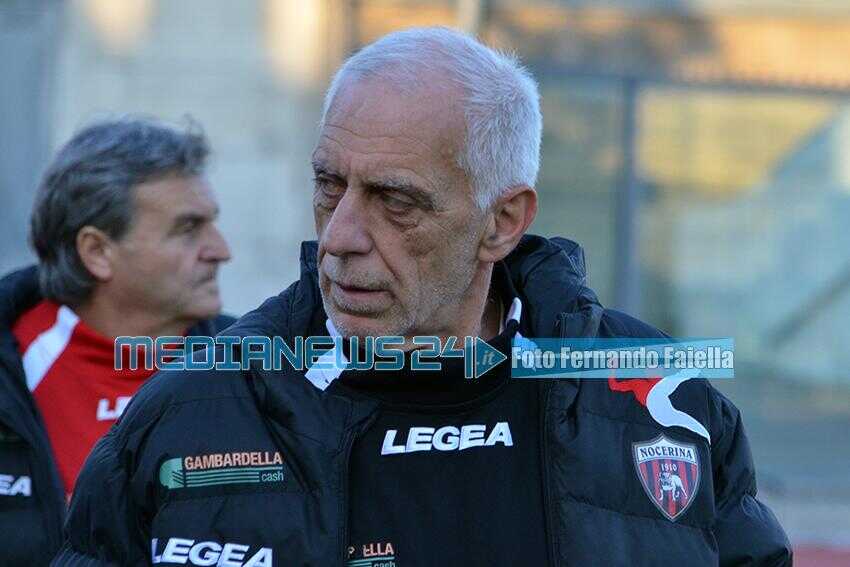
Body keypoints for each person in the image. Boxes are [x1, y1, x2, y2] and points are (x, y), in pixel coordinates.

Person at [55, 29, 790, 566]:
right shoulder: (188, 410)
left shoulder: (663, 404)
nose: (340, 237)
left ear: (502, 222)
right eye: (329, 186)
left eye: (395, 201)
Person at [0, 117, 234, 566]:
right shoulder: (16, 365)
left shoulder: (258, 368)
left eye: (212, 224)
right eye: (188, 228)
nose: (221, 250)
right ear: (97, 252)